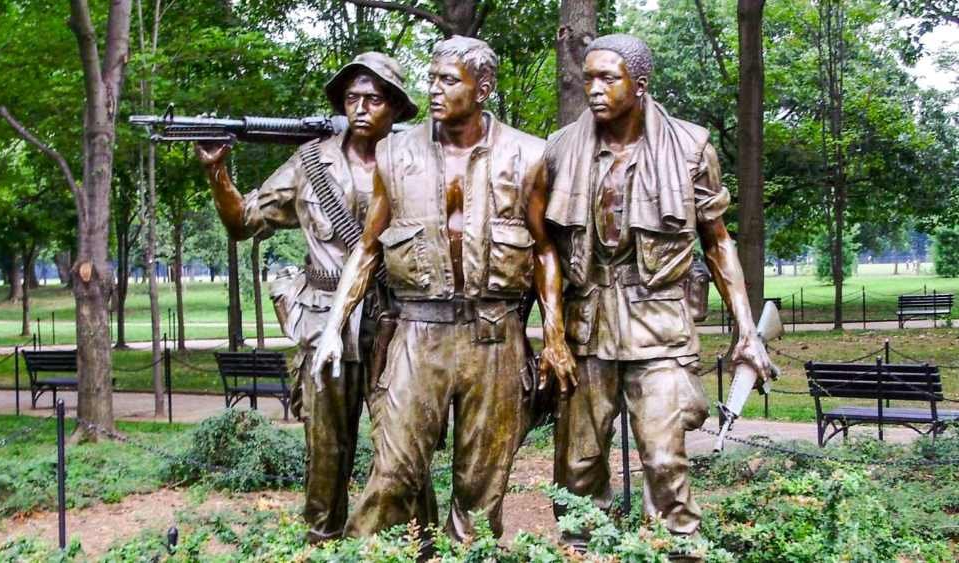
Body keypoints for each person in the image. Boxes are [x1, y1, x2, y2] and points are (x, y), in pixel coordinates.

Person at [311, 36, 576, 541]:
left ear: (484, 88)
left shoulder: (528, 154)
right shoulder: (394, 152)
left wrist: (554, 335)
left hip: (494, 338)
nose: (433, 89)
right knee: (392, 473)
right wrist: (333, 327)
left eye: (447, 80)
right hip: (417, 334)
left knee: (481, 488)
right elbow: (367, 249)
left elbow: (545, 249)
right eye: (431, 78)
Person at [538, 34, 775, 546]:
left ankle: (676, 551)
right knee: (578, 462)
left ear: (639, 85)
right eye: (588, 79)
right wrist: (550, 333)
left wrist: (747, 329)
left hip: (659, 321)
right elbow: (544, 250)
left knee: (665, 459)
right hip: (587, 322)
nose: (594, 90)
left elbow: (717, 243)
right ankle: (582, 550)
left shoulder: (690, 147)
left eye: (608, 78)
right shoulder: (559, 149)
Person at [194, 52, 433, 543]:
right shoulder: (310, 162)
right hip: (326, 320)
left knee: (404, 443)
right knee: (326, 447)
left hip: (399, 318)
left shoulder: (418, 159)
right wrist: (218, 172)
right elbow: (241, 223)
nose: (361, 108)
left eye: (373, 98)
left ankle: (419, 542)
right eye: (351, 99)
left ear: (395, 107)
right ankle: (321, 541)